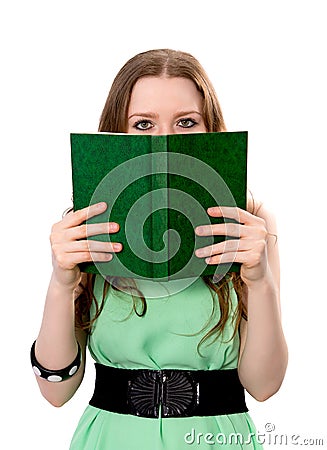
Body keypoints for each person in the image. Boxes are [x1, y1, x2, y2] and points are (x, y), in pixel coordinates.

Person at [32, 49, 288, 449]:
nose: (164, 139)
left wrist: (261, 281)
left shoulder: (248, 224)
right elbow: (55, 392)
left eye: (186, 122)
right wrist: (61, 285)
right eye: (142, 124)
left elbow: (264, 386)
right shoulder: (87, 227)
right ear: (117, 133)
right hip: (112, 438)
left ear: (210, 130)